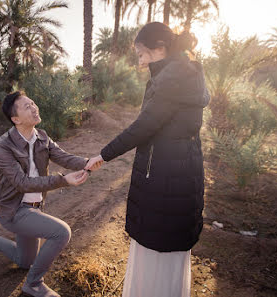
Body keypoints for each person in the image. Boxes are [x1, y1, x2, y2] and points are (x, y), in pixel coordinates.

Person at [86, 22, 210, 297]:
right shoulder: (183, 74)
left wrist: (102, 155)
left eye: (142, 54)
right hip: (178, 173)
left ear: (160, 49)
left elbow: (143, 127)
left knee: (158, 245)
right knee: (167, 244)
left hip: (165, 178)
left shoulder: (172, 80)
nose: (140, 62)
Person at [0, 91, 96, 297]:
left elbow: (63, 157)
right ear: (16, 119)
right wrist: (63, 180)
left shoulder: (42, 137)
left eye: (33, 103)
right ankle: (34, 284)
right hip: (14, 211)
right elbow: (21, 183)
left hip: (34, 209)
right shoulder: (3, 147)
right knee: (61, 232)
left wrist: (88, 162)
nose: (34, 107)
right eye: (27, 106)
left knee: (25, 261)